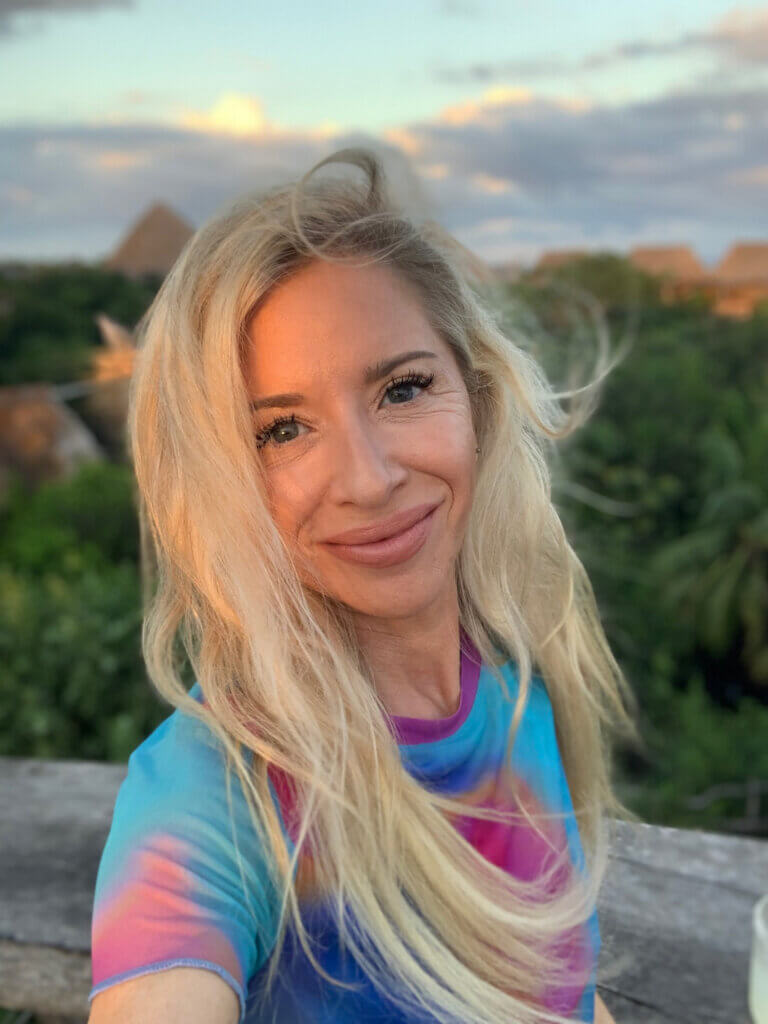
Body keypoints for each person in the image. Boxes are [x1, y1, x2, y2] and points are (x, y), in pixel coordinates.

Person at [87, 146, 640, 1024]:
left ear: (477, 395)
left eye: (403, 389)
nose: (369, 478)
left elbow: (564, 994)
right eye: (282, 431)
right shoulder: (219, 788)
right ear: (222, 481)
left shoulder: (518, 687)